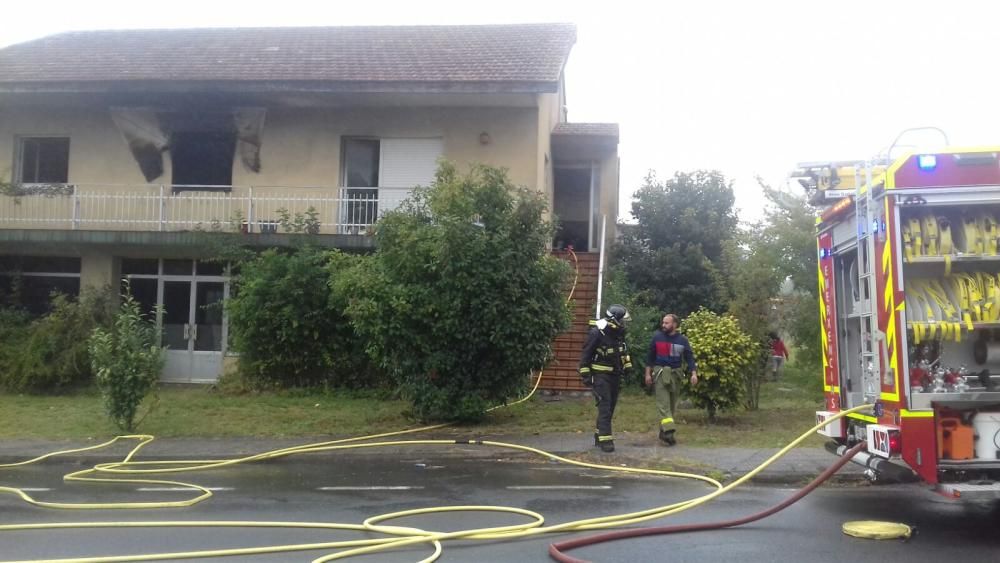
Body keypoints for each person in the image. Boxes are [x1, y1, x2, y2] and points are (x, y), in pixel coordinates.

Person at [579, 304, 632, 453]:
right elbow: (585, 355)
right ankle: (606, 441)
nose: (624, 324)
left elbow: (623, 351)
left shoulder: (618, 334)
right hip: (601, 377)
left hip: (615, 376)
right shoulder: (597, 333)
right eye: (622, 320)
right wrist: (586, 375)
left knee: (610, 407)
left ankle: (599, 434)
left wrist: (627, 366)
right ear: (614, 320)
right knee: (605, 407)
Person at [644, 314, 698, 446]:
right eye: (663, 323)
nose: (663, 325)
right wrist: (648, 374)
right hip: (660, 373)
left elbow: (689, 358)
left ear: (674, 325)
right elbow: (649, 357)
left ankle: (663, 432)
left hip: (676, 375)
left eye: (667, 323)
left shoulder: (683, 340)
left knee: (672, 405)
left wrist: (694, 374)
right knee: (664, 404)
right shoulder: (657, 337)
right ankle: (669, 432)